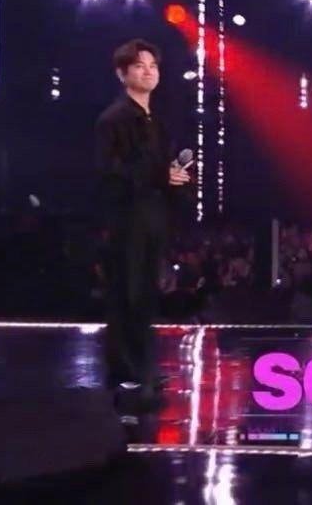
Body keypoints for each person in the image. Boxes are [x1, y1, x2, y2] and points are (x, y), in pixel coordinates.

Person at [95, 39, 192, 409]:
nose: (148, 71)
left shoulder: (156, 122)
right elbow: (110, 173)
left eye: (153, 65)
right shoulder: (113, 120)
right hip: (127, 220)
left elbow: (163, 170)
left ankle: (143, 368)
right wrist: (159, 175)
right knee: (127, 294)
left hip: (153, 219)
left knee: (147, 296)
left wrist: (175, 178)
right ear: (122, 74)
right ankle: (126, 371)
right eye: (139, 65)